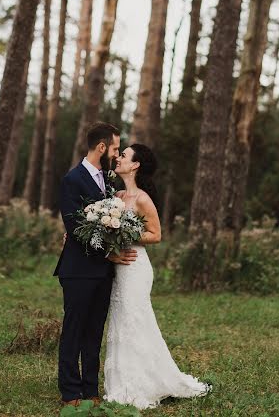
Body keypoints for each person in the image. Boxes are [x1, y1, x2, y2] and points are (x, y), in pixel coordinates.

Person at [104, 143, 212, 409]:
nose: (118, 158)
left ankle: (144, 384)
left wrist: (126, 233)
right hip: (119, 265)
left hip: (136, 267)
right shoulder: (116, 196)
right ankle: (122, 382)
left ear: (136, 165)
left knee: (135, 320)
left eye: (124, 155)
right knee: (120, 321)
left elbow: (156, 234)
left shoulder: (141, 198)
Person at [54, 122, 137, 407]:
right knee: (74, 331)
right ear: (101, 147)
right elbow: (75, 227)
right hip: (78, 270)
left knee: (94, 331)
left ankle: (90, 388)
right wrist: (108, 255)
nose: (116, 153)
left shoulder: (109, 180)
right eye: (114, 147)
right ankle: (70, 391)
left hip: (103, 272)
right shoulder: (72, 180)